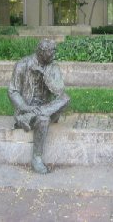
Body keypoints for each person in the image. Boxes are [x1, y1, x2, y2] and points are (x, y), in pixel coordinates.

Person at [8, 39, 70, 174]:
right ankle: (36, 158)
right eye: (51, 51)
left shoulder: (53, 66)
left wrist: (45, 75)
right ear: (41, 52)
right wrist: (25, 107)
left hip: (45, 108)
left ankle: (31, 116)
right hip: (27, 108)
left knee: (66, 98)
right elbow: (12, 91)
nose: (54, 54)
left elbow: (59, 91)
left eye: (55, 50)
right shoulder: (23, 64)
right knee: (43, 119)